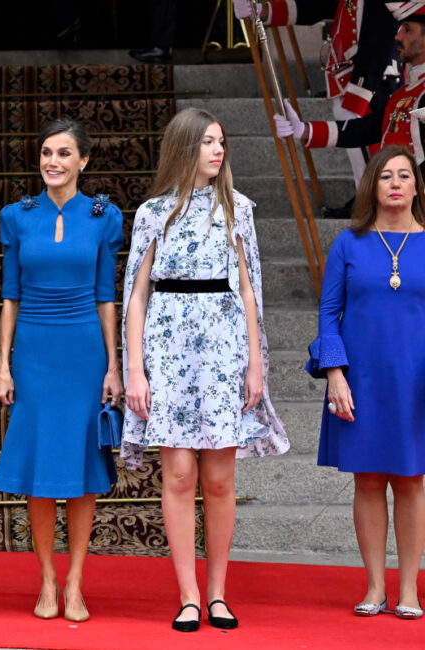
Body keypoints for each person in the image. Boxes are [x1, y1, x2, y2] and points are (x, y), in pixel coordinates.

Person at [122, 107, 288, 632]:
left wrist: (256, 365)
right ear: (185, 147)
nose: (218, 151)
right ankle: (188, 594)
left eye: (221, 142)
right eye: (208, 142)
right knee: (177, 474)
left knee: (219, 479)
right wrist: (135, 370)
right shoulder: (152, 212)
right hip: (168, 355)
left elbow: (249, 289)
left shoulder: (238, 209)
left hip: (223, 354)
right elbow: (136, 297)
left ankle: (218, 592)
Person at [0, 119, 124, 623]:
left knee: (83, 472)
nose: (53, 161)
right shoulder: (16, 216)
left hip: (85, 352)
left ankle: (75, 583)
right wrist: (3, 365)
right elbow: (10, 295)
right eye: (46, 152)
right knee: (42, 471)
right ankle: (46, 579)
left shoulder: (103, 216)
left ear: (83, 161)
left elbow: (106, 295)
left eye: (64, 153)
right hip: (34, 352)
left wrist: (113, 366)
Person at [308, 145, 425, 620]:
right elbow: (327, 314)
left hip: (415, 380)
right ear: (371, 186)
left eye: (404, 175)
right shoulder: (348, 244)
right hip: (359, 381)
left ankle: (410, 590)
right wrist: (335, 373)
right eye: (385, 176)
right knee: (369, 482)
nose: (395, 183)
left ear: (417, 185)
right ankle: (375, 586)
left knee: (413, 482)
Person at [275, 4, 425, 175]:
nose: (397, 36)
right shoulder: (403, 94)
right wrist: (305, 130)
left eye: (407, 30)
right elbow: (370, 128)